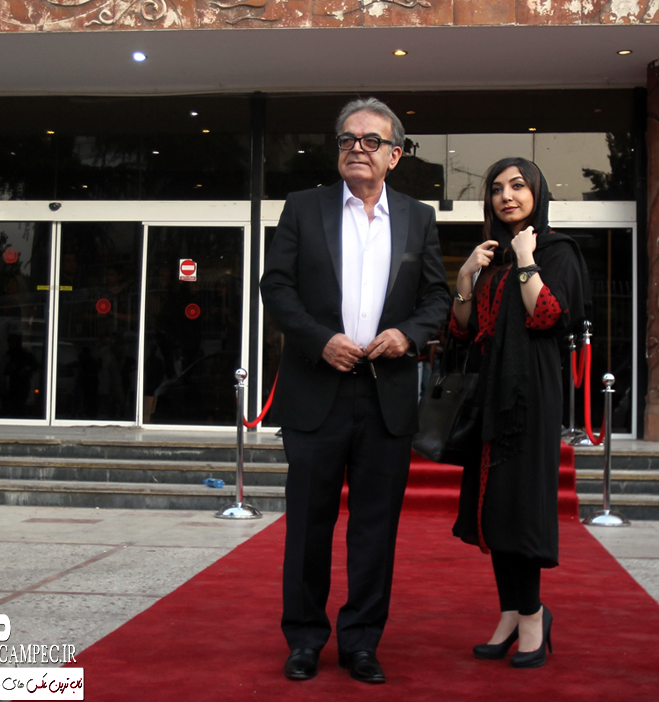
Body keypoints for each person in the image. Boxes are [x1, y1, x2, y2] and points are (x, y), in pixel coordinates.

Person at [260, 97, 449, 684]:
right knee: (307, 526)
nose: (357, 149)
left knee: (375, 529)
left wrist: (407, 335)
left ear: (394, 155)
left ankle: (362, 642)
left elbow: (436, 299)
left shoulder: (418, 218)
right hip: (317, 392)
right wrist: (320, 341)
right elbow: (276, 288)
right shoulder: (303, 207)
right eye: (347, 139)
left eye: (371, 141)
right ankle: (304, 639)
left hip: (385, 397)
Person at [450, 157, 589, 669]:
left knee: (520, 507)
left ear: (537, 193)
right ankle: (511, 612)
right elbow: (462, 328)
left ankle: (533, 616)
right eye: (496, 188)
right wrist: (465, 276)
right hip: (491, 392)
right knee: (495, 508)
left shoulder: (556, 251)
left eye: (517, 186)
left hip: (529, 394)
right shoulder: (493, 256)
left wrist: (528, 258)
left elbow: (547, 315)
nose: (506, 195)